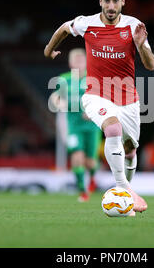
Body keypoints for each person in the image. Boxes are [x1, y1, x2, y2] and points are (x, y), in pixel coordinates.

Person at [44, 0, 154, 215]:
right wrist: (49, 48)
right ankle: (124, 190)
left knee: (130, 150)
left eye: (116, 0)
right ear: (100, 1)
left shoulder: (133, 26)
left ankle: (126, 192)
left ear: (123, 1)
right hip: (95, 94)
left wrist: (141, 45)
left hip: (128, 99)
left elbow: (151, 64)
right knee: (112, 130)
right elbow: (64, 28)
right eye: (106, 0)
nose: (111, 5)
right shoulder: (87, 23)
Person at [50, 48, 102, 202]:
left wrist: (94, 111)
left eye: (81, 59)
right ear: (70, 62)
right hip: (74, 125)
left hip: (92, 126)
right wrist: (59, 103)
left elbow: (103, 100)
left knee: (90, 161)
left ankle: (92, 177)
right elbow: (55, 97)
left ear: (86, 62)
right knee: (77, 156)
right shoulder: (64, 79)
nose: (79, 62)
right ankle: (82, 190)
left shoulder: (94, 79)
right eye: (76, 59)